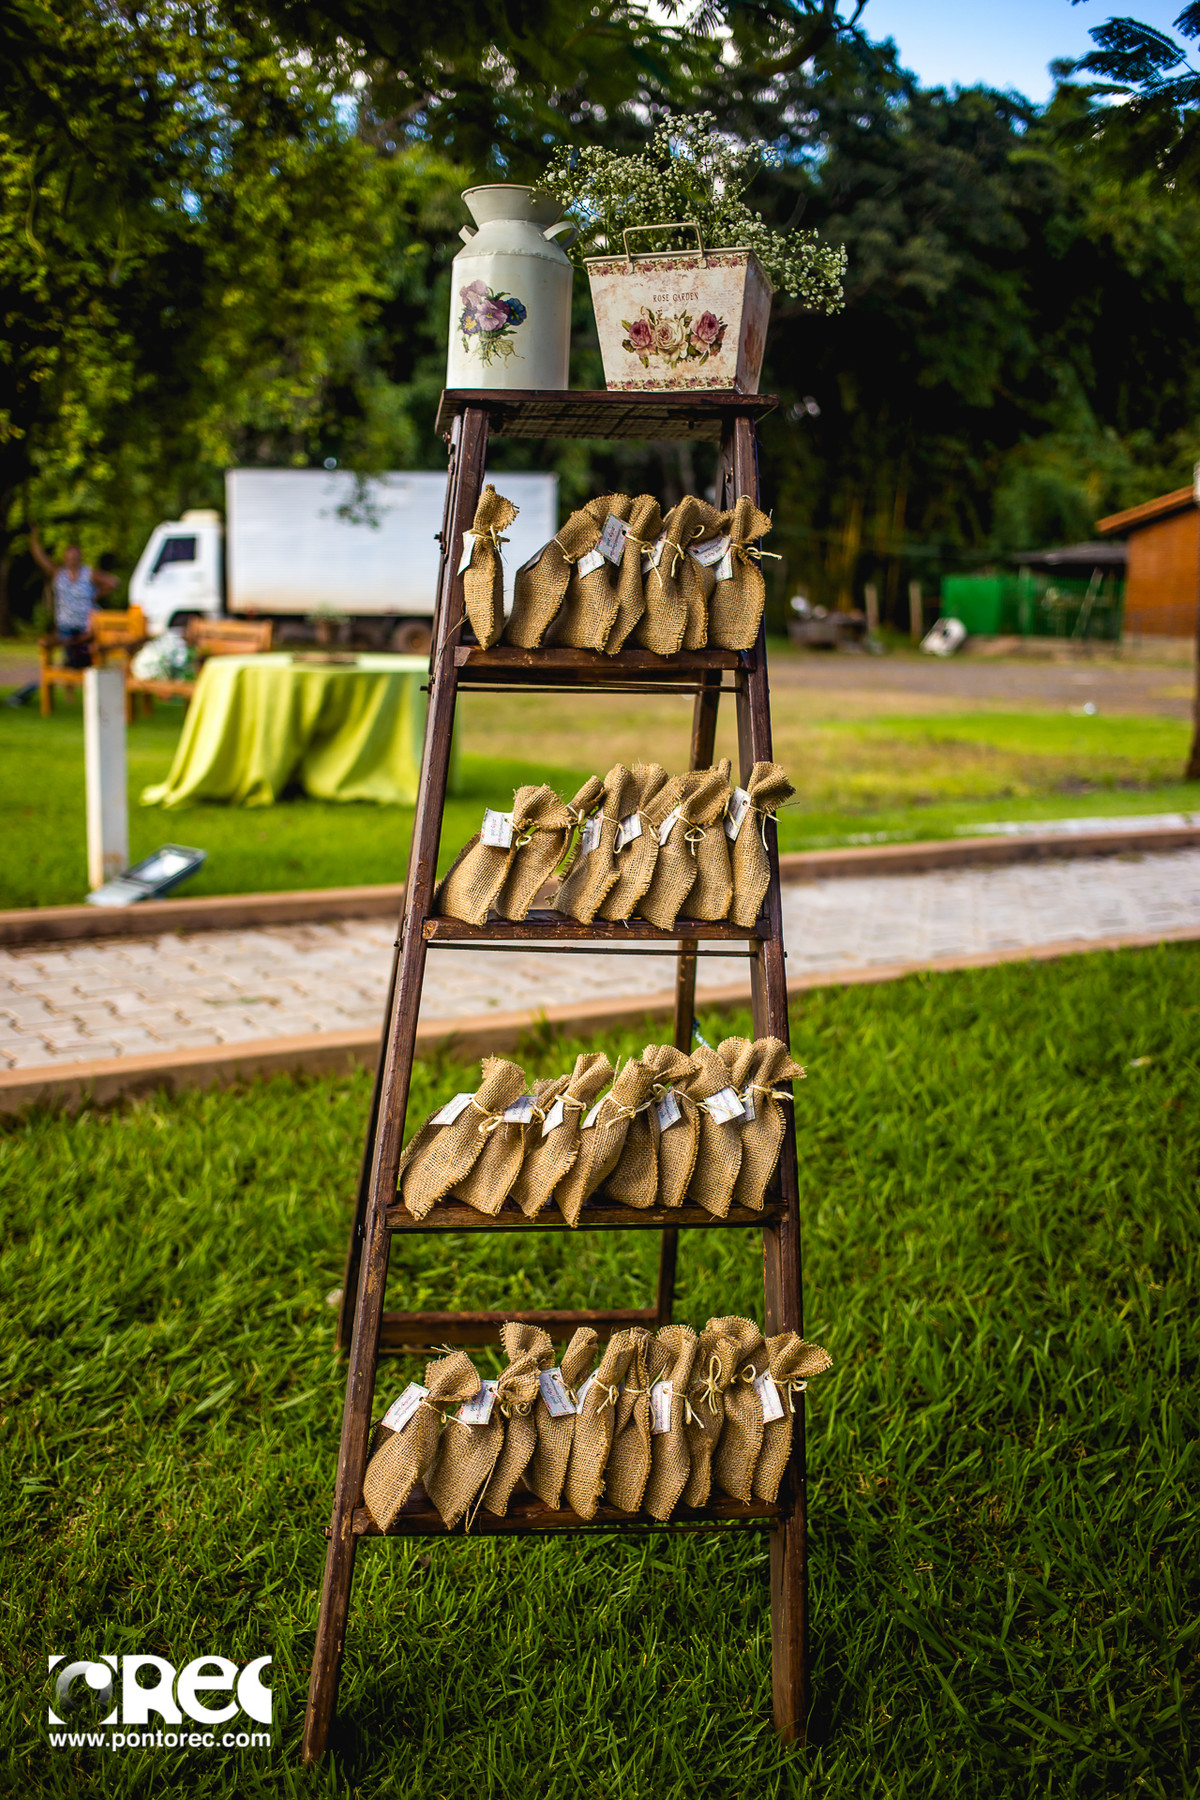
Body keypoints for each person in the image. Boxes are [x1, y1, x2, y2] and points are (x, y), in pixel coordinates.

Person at [29, 526, 118, 667]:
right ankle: (69, 688)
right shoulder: (59, 574)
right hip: (66, 626)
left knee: (87, 660)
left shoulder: (88, 573)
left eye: (75, 557)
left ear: (80, 558)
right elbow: (41, 559)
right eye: (70, 557)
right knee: (69, 662)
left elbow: (113, 582)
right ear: (65, 558)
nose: (73, 560)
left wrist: (95, 595)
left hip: (85, 628)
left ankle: (87, 684)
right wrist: (33, 538)